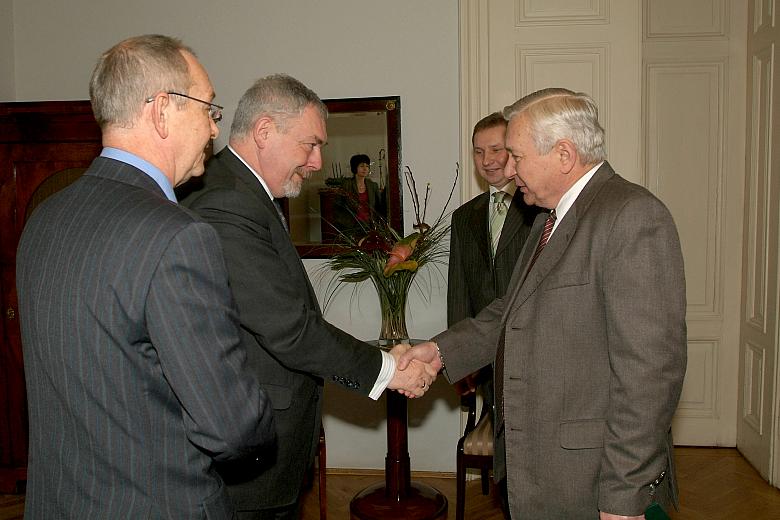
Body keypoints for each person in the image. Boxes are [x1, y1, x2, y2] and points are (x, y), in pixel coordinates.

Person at [16, 35, 275, 519]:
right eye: (208, 109)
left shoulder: (44, 219)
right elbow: (230, 426)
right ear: (161, 112)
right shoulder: (177, 235)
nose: (214, 129)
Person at [401, 88, 687, 519]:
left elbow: (650, 374)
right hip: (540, 470)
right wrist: (440, 351)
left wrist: (625, 494)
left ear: (564, 155)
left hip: (592, 481)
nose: (508, 169)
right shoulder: (547, 219)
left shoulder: (632, 216)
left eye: (517, 156)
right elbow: (509, 311)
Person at [181, 73, 435, 519]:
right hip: (245, 451)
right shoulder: (226, 202)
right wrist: (389, 370)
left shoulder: (251, 195)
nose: (318, 162)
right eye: (310, 144)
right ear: (264, 131)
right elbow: (289, 327)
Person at [447, 112, 540, 404]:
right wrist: (459, 357)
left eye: (496, 149)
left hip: (533, 353)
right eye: (478, 151)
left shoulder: (540, 210)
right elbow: (459, 294)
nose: (487, 160)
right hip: (485, 361)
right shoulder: (463, 218)